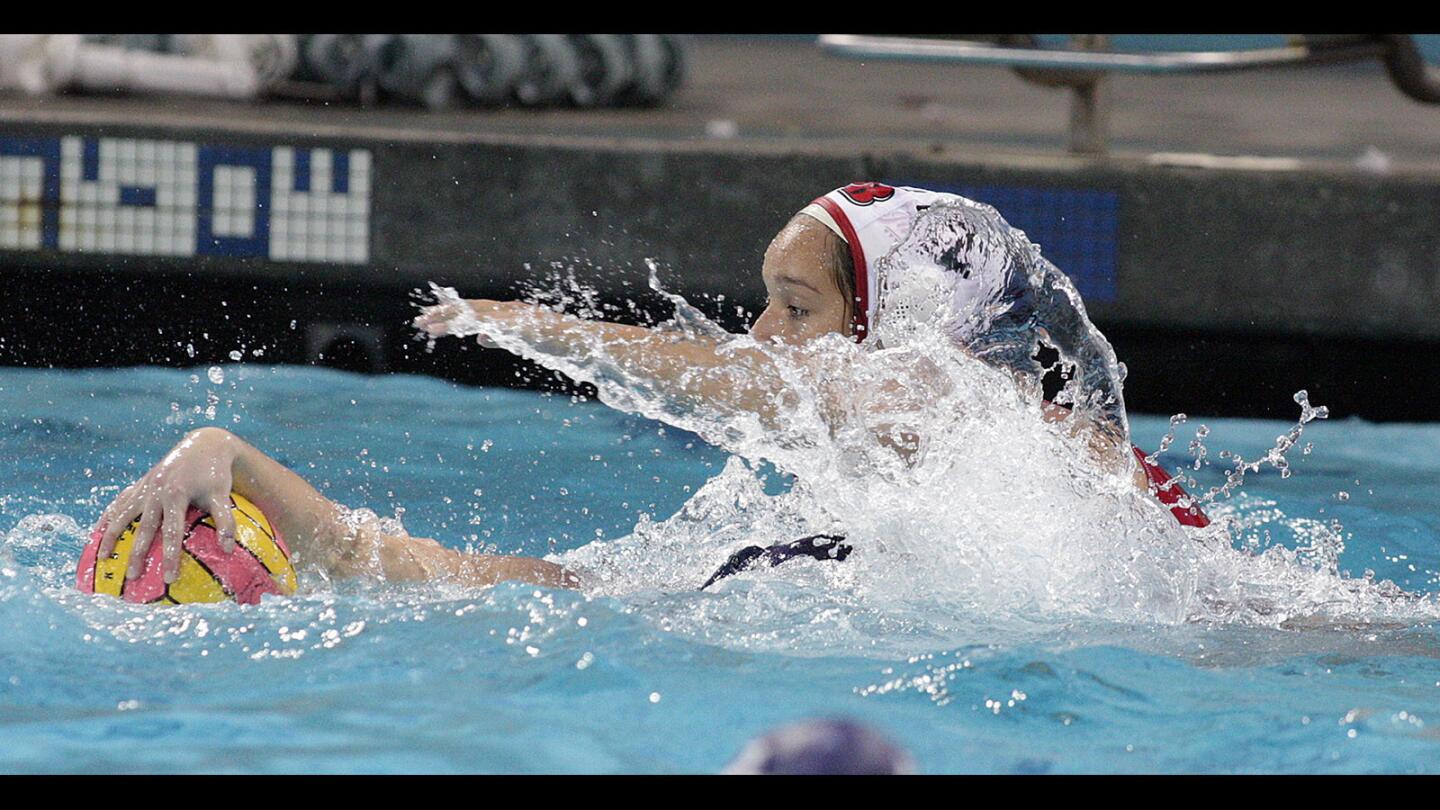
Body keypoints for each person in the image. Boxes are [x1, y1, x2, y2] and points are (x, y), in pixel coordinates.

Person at [93, 182, 1206, 594]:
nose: (763, 334)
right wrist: (225, 455)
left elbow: (799, 397)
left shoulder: (1027, 451)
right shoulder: (817, 541)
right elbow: (464, 578)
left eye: (800, 307)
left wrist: (551, 331)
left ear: (901, 332)